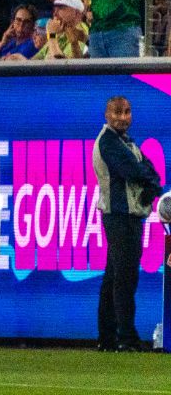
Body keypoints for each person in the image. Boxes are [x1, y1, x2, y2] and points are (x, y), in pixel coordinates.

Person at [93, 96, 163, 352]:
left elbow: (149, 169)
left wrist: (152, 183)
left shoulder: (126, 141)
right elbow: (133, 170)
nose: (123, 117)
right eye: (117, 112)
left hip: (129, 214)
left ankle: (108, 337)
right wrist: (152, 184)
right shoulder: (109, 142)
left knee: (114, 276)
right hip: (119, 214)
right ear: (106, 114)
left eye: (127, 112)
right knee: (124, 277)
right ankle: (126, 338)